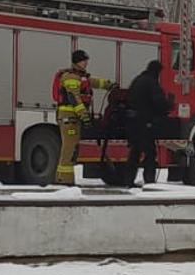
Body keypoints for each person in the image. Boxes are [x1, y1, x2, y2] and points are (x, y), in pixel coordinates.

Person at [53, 49, 117, 185]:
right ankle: (64, 180)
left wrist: (108, 84)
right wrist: (84, 116)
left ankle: (64, 179)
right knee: (69, 147)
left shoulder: (80, 76)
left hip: (73, 118)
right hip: (69, 117)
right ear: (77, 61)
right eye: (84, 60)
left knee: (72, 147)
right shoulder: (70, 78)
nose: (86, 63)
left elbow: (93, 82)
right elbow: (74, 98)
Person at [106, 59, 170, 188]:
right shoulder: (151, 82)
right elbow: (158, 102)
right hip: (143, 123)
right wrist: (168, 106)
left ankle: (129, 180)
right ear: (157, 71)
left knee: (135, 152)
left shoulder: (138, 80)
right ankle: (150, 182)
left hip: (131, 123)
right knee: (150, 153)